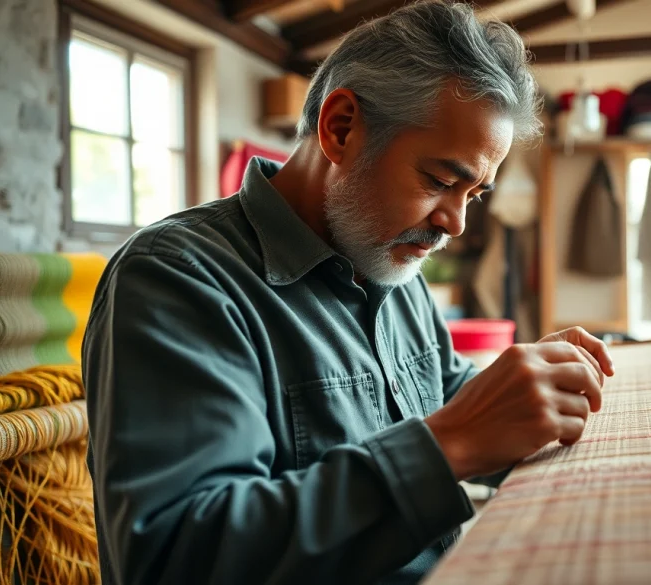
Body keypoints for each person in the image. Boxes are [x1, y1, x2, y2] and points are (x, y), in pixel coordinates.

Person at [81, 2, 615, 584]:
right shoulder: (178, 280)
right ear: (340, 127)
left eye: (475, 194)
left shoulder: (387, 262)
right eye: (440, 181)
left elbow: (441, 395)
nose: (455, 224)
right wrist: (450, 444)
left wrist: (533, 387)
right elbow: (177, 557)